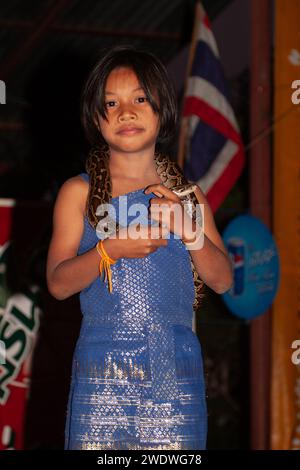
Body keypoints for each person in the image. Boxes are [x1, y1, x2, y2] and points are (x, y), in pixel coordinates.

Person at [46, 45, 233, 450]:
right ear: (97, 119)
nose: (125, 112)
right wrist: (109, 249)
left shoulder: (187, 196)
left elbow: (221, 281)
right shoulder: (79, 191)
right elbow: (59, 285)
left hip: (173, 366)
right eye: (110, 103)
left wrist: (188, 228)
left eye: (139, 99)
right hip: (101, 367)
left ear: (162, 109)